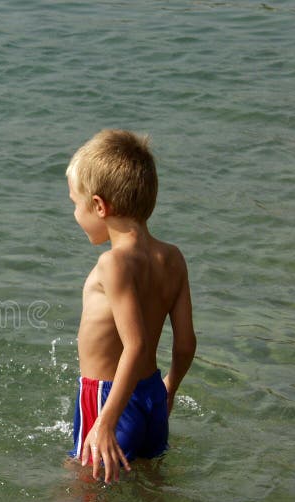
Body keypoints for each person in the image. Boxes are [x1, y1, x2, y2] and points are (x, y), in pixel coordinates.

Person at [65, 129, 196, 483]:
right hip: (152, 396)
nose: (75, 213)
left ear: (99, 206)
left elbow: (134, 346)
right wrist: (169, 388)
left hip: (109, 398)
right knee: (150, 492)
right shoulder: (172, 259)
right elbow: (185, 344)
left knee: (84, 499)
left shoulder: (113, 264)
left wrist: (105, 422)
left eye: (76, 204)